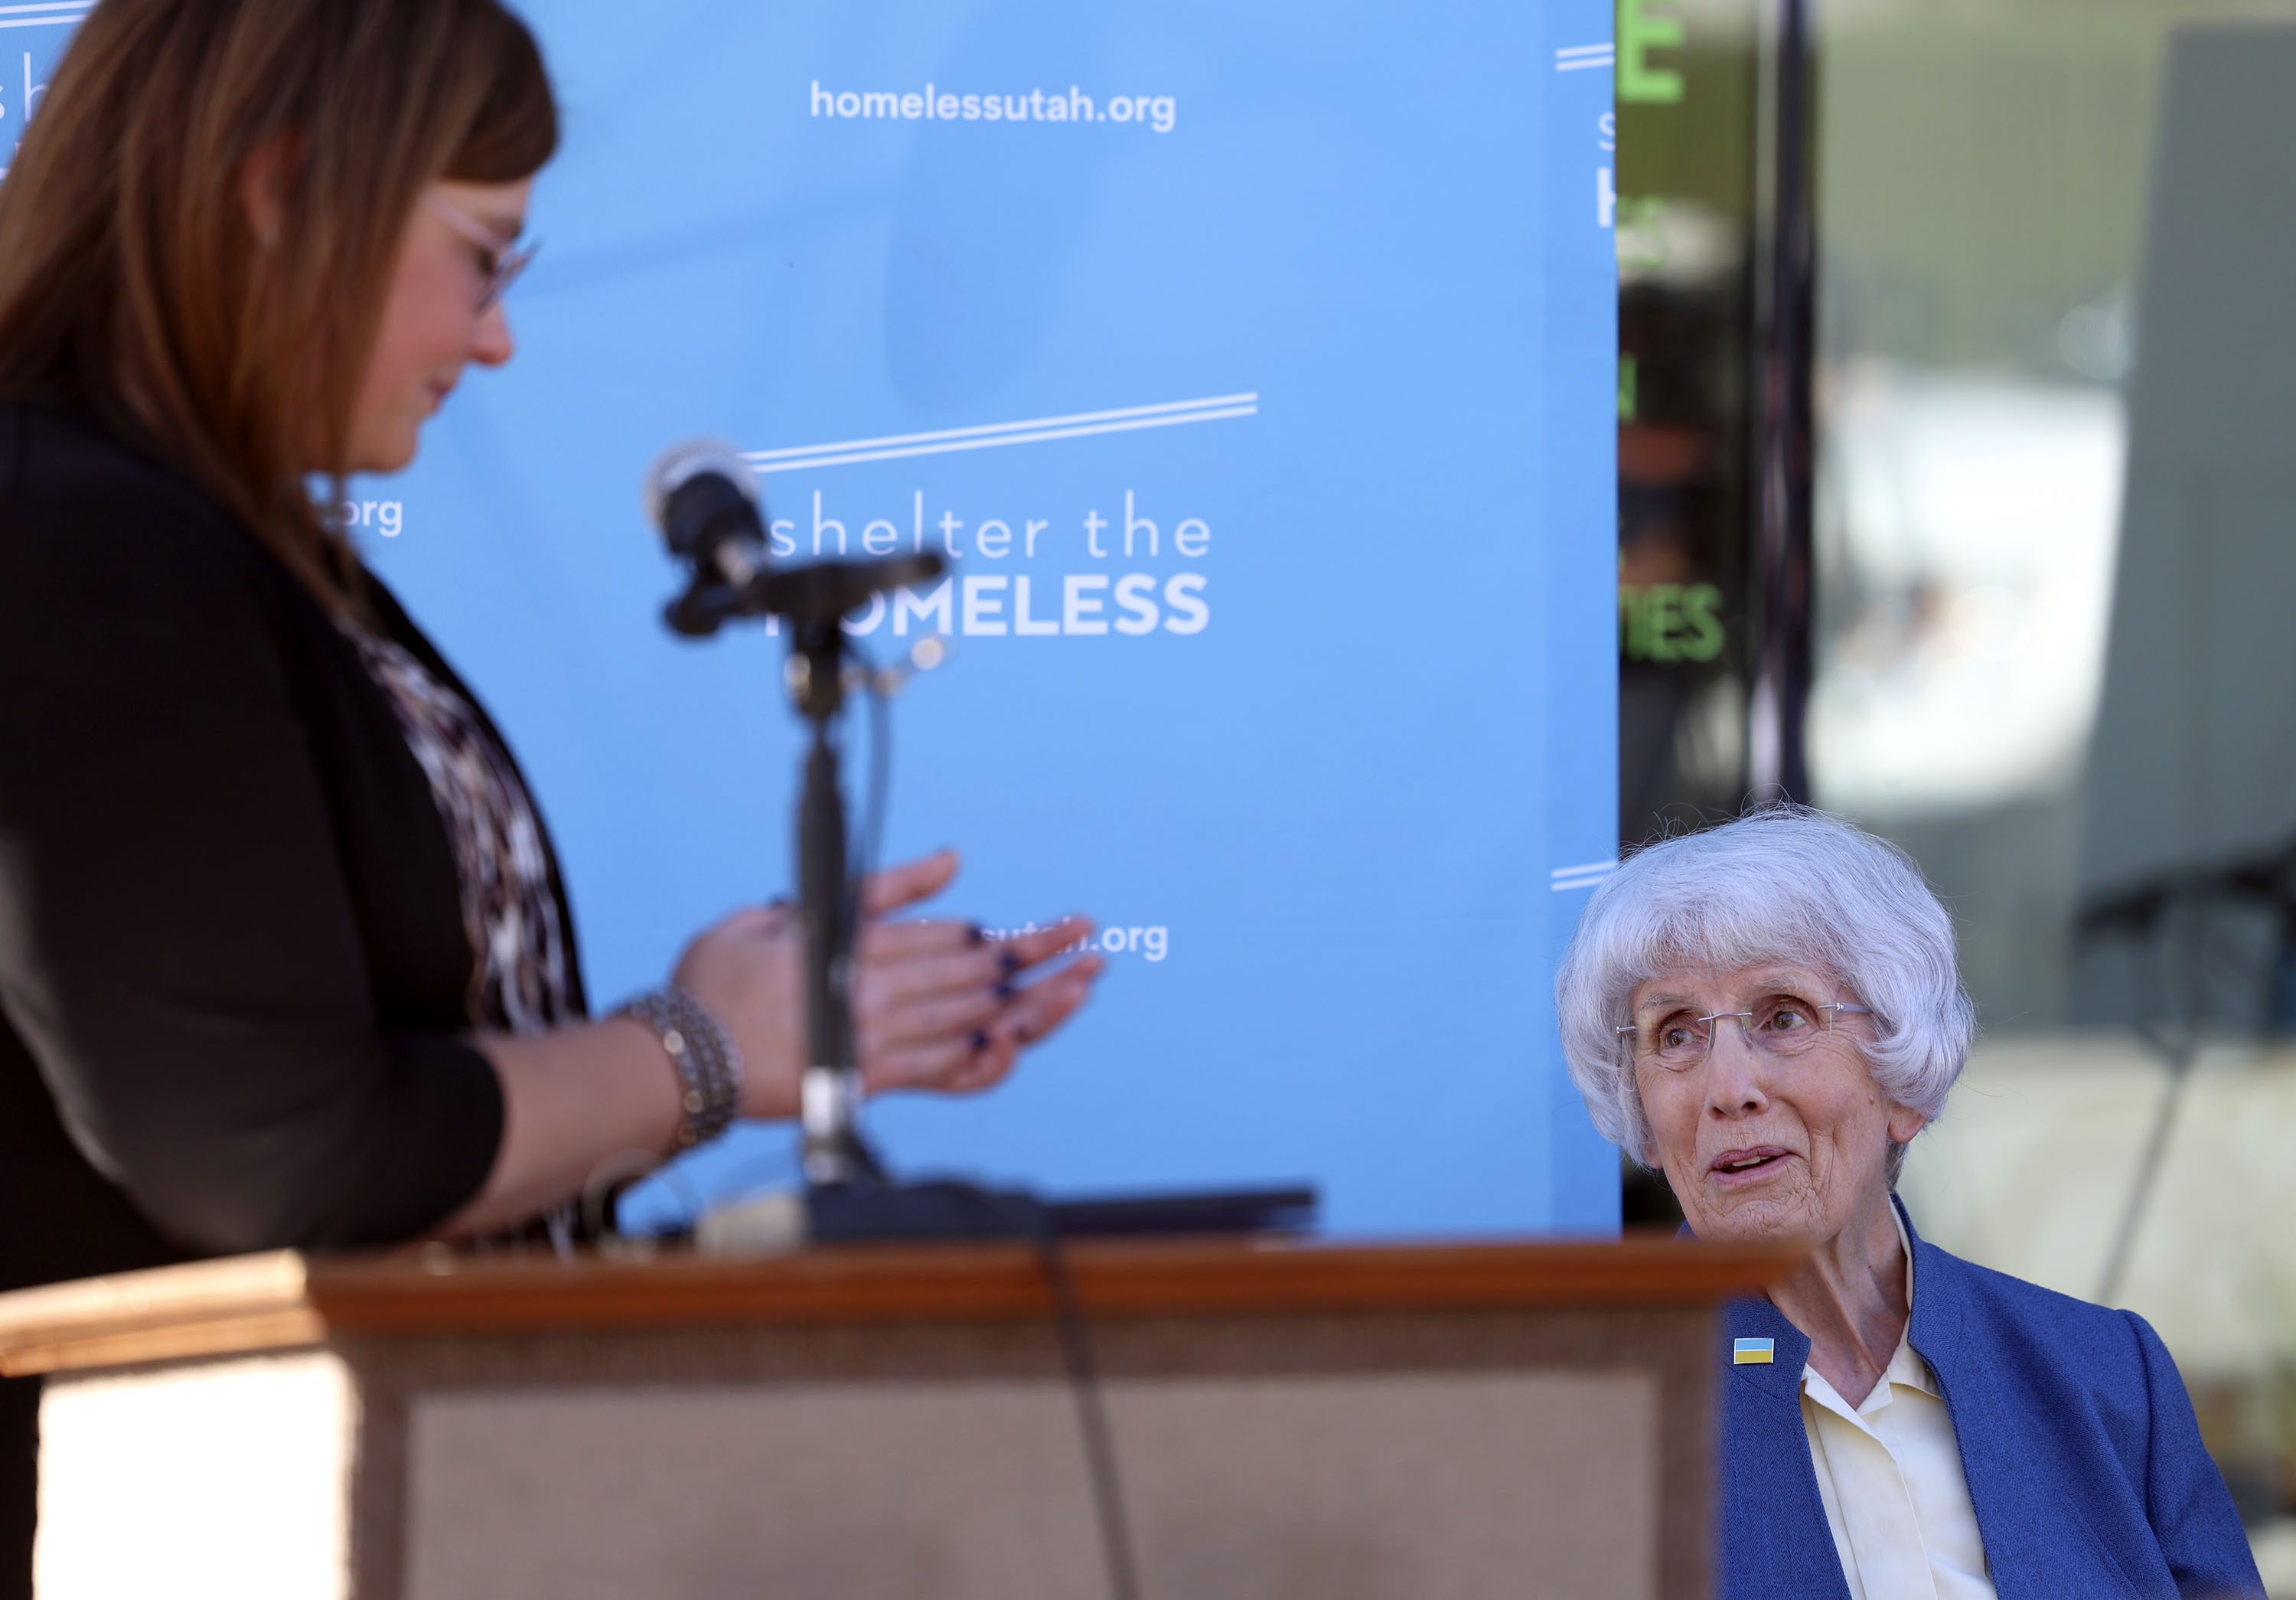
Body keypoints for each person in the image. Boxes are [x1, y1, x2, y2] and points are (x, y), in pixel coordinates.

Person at [0, 2, 1103, 1591]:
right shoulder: (87, 544)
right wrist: (703, 1051)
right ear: (282, 188)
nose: (497, 334)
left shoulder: (221, 545)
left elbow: (375, 1126)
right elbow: (281, 1158)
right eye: (485, 255)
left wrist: (740, 1036)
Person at [1556, 808, 2262, 1600]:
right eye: (1676, 1033)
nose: (1729, 1089)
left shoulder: (2108, 1376)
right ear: (1642, 1113)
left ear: (1904, 1080)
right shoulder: (1580, 1424)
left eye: (1783, 1016)